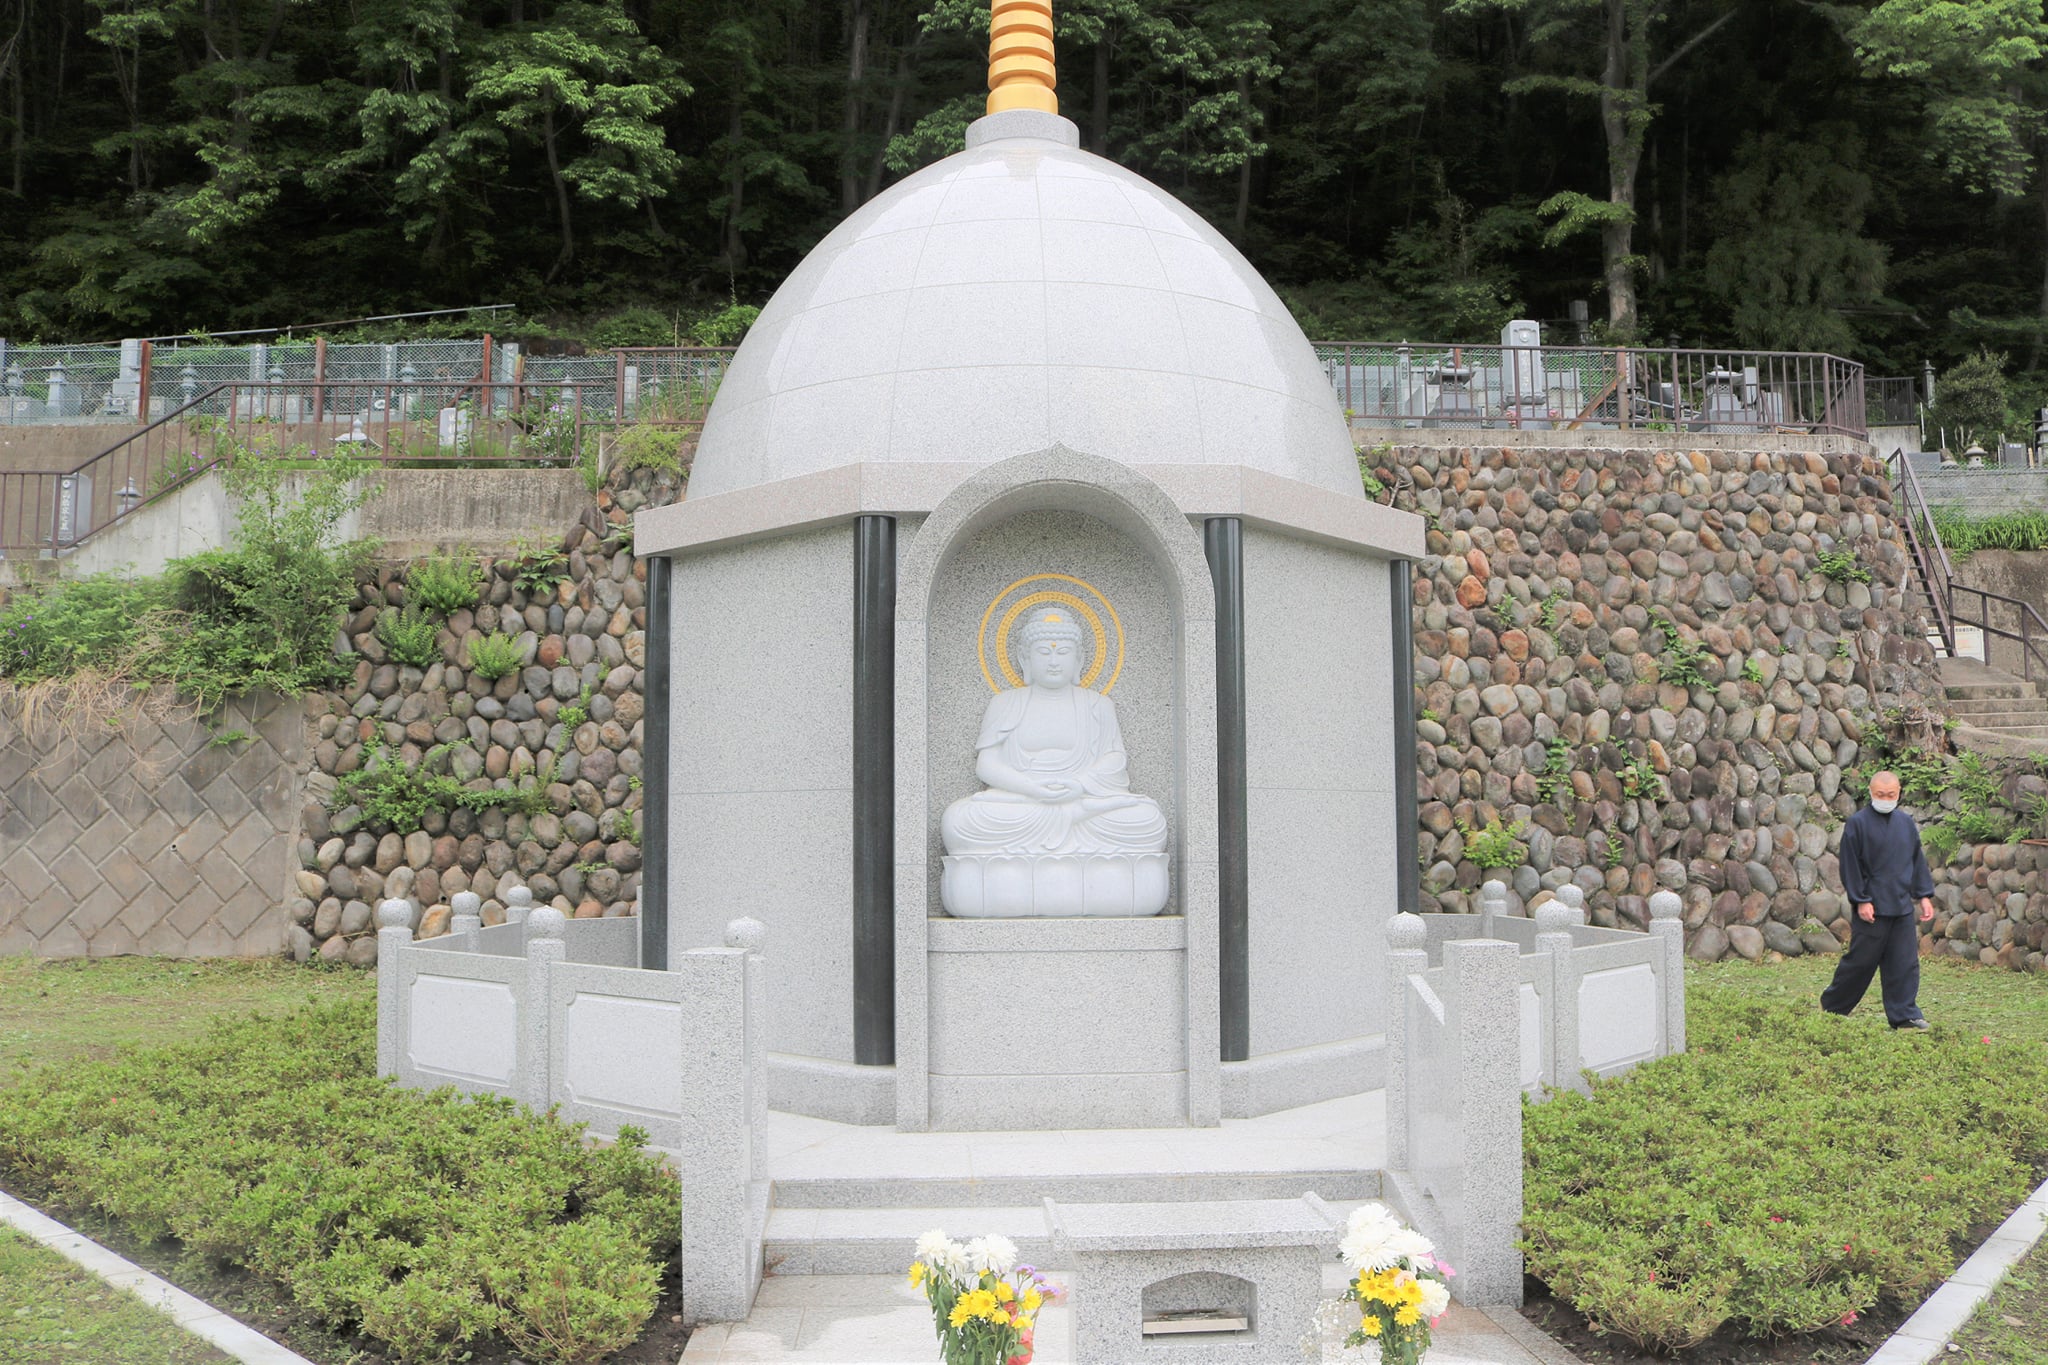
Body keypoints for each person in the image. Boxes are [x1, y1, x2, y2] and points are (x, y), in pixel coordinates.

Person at [1821, 771, 1936, 1029]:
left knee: (1904, 963)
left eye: (1891, 795)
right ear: (1871, 793)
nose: (1886, 799)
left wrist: (1924, 895)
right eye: (1881, 795)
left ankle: (1904, 1014)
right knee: (1860, 963)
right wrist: (1861, 900)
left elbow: (1916, 861)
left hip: (1902, 906)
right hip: (1872, 906)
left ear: (1899, 792)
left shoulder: (1906, 823)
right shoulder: (1857, 824)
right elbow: (1850, 865)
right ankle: (1833, 1006)